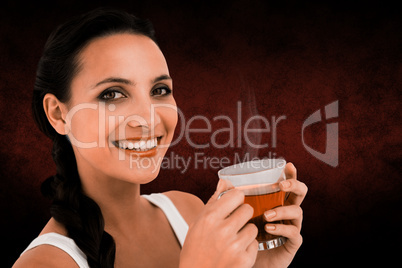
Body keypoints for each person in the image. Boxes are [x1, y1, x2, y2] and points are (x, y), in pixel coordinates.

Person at [13, 8, 307, 268]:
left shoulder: (189, 211)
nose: (149, 118)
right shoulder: (44, 263)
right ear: (58, 114)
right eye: (112, 94)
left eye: (159, 91)